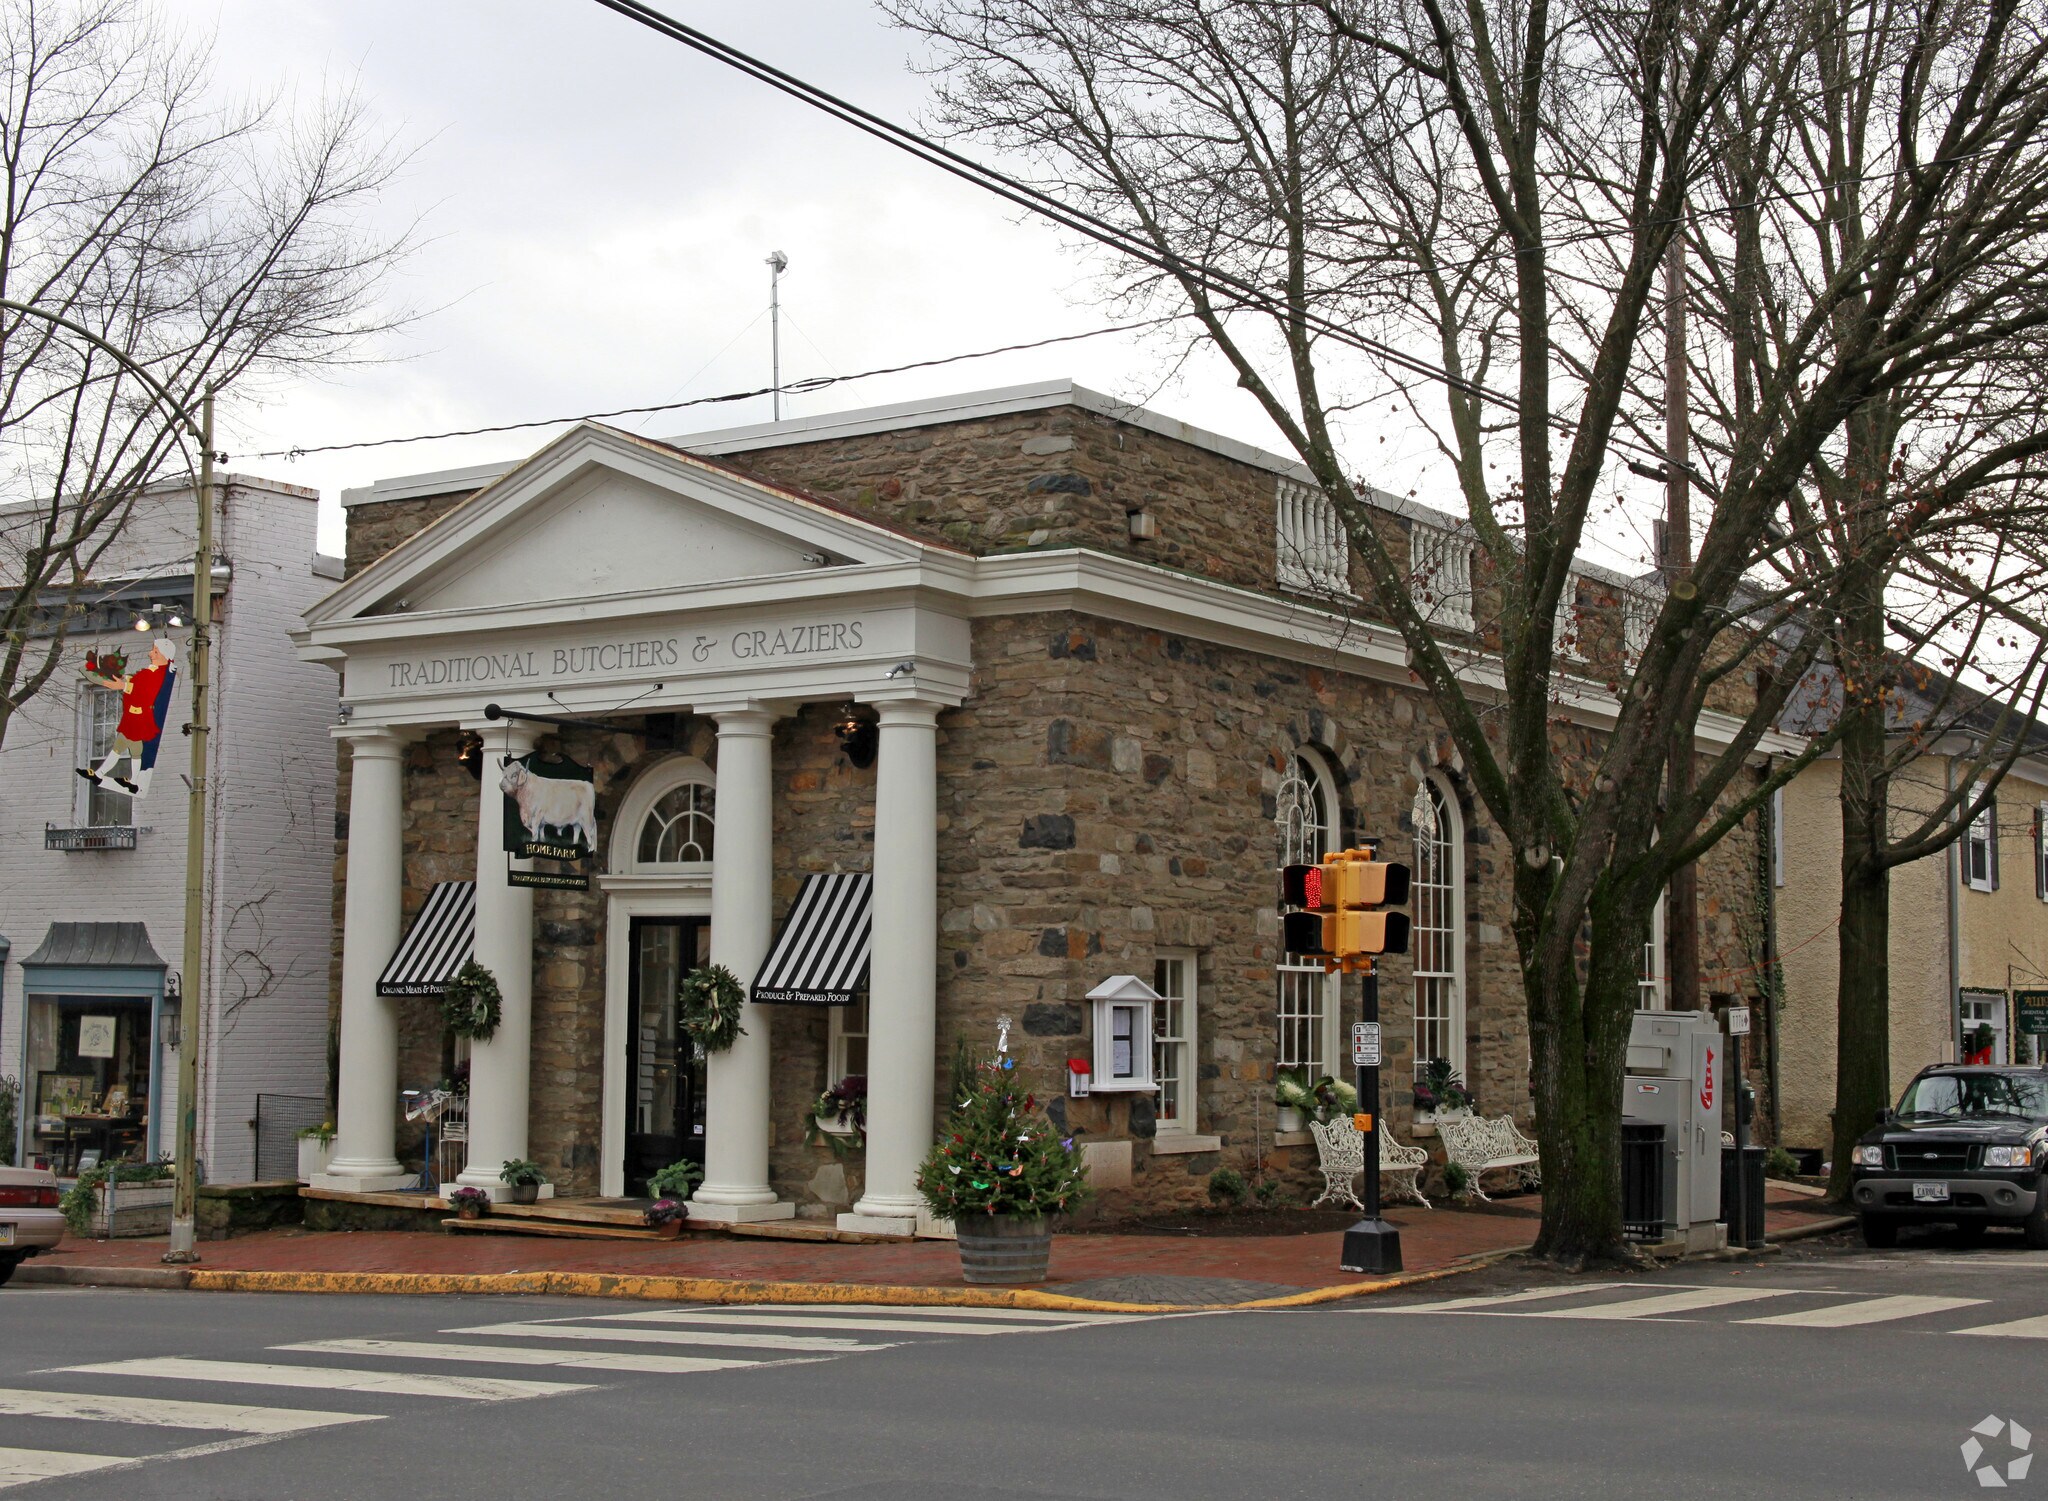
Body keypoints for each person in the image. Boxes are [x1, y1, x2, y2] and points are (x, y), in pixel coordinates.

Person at [78, 637, 177, 798]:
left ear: (164, 656)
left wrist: (120, 684)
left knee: (127, 748)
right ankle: (125, 780)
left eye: (155, 651)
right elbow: (134, 682)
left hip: (138, 718)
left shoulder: (156, 675)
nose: (150, 653)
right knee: (129, 748)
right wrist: (124, 681)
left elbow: (143, 691)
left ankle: (120, 779)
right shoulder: (152, 672)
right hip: (134, 717)